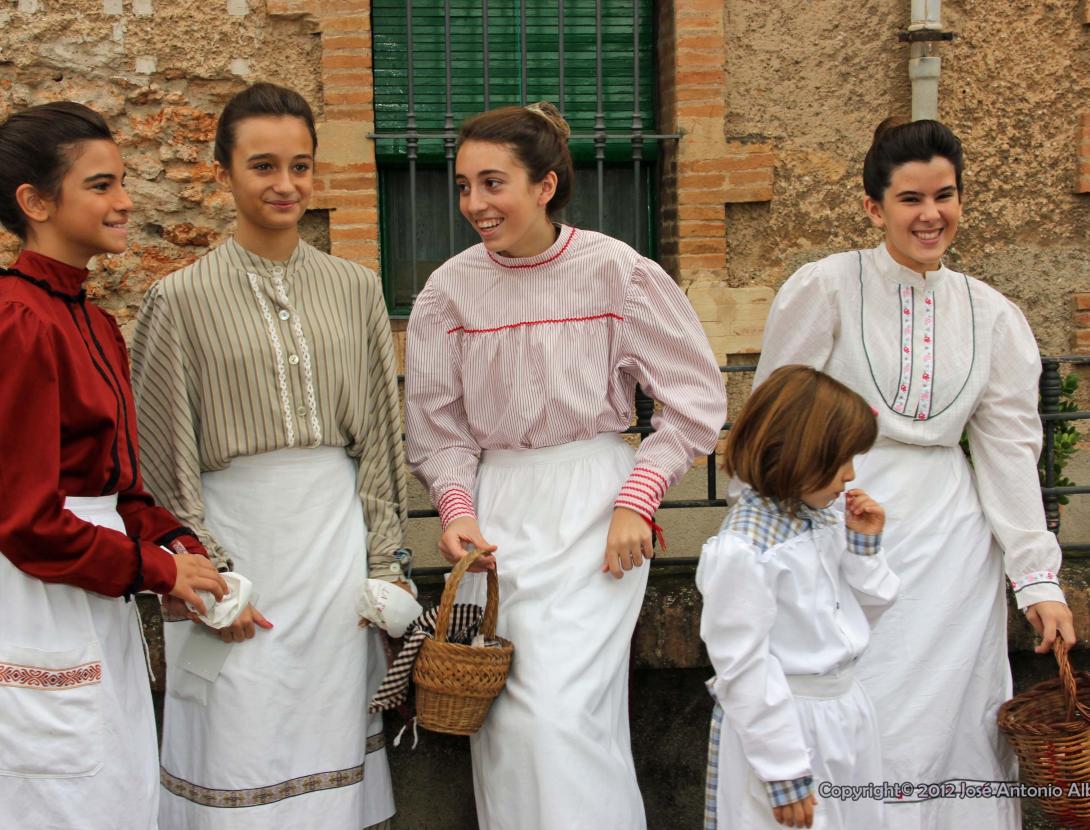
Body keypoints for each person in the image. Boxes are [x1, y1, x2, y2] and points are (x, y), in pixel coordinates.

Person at [404, 101, 727, 830]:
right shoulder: (447, 292)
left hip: (594, 513)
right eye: (463, 186)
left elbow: (696, 399)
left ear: (545, 185)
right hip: (501, 517)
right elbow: (436, 426)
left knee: (564, 716)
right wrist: (457, 511)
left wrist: (636, 500)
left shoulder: (617, 272)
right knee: (512, 724)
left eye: (493, 183)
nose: (474, 204)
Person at [753, 117, 1076, 829]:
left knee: (952, 727)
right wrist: (760, 537)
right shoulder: (826, 288)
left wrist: (1038, 578)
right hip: (842, 524)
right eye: (910, 199)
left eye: (945, 195)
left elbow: (1006, 450)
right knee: (857, 708)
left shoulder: (991, 315)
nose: (931, 214)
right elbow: (774, 419)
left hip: (954, 548)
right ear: (874, 207)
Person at [130, 83, 407, 830]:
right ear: (224, 174)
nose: (286, 184)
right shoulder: (177, 300)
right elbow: (160, 454)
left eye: (301, 165)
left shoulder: (356, 290)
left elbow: (380, 437)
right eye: (263, 166)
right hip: (235, 543)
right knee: (235, 727)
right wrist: (206, 572)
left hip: (332, 550)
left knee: (330, 730)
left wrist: (386, 564)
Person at [0, 101, 227, 829]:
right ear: (34, 202)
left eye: (123, 181)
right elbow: (26, 522)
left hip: (98, 590)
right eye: (101, 185)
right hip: (40, 596)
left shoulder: (92, 319)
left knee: (118, 788)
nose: (126, 201)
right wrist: (156, 570)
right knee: (61, 798)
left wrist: (177, 546)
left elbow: (118, 484)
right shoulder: (18, 319)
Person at [699, 365, 899, 830]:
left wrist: (864, 547)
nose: (850, 475)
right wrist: (784, 770)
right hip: (788, 725)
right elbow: (743, 666)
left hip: (843, 713)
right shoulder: (745, 550)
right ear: (797, 453)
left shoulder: (820, 521)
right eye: (841, 460)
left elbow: (857, 618)